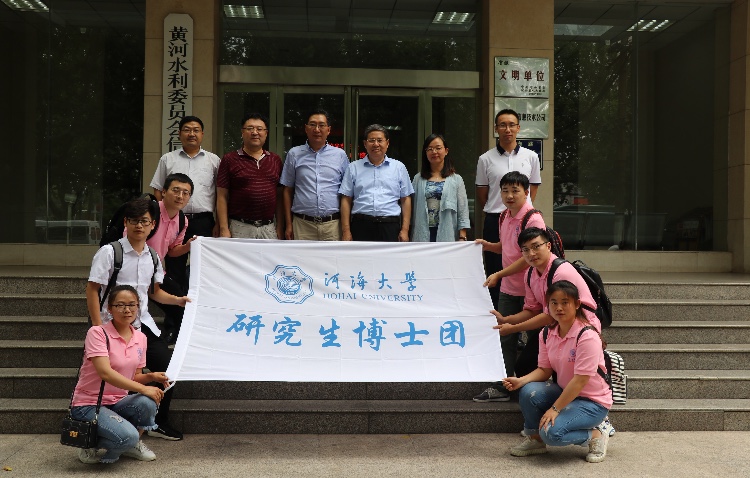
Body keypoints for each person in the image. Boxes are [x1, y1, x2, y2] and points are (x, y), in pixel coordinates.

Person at [86, 197, 189, 441]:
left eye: (144, 221)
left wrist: (178, 300)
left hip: (142, 325)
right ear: (126, 223)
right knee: (109, 376)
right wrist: (99, 328)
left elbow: (154, 292)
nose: (139, 226)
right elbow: (92, 289)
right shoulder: (110, 252)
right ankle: (105, 424)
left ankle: (157, 422)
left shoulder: (153, 256)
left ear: (153, 225)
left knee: (169, 369)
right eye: (134, 220)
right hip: (111, 325)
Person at [502, 280, 612, 463]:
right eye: (554, 302)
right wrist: (520, 381)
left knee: (551, 433)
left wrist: (555, 409)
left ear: (577, 304)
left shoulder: (587, 336)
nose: (559, 307)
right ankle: (536, 441)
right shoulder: (546, 333)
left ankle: (596, 435)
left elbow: (580, 381)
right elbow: (544, 370)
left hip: (592, 402)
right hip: (564, 392)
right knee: (528, 391)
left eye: (565, 302)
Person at [73, 285, 169, 464]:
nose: (127, 310)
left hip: (118, 401)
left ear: (138, 307)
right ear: (109, 308)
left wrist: (152, 377)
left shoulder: (141, 338)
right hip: (89, 404)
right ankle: (87, 441)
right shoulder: (97, 333)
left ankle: (131, 443)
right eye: (120, 305)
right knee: (128, 436)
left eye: (132, 304)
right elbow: (105, 373)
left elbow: (134, 376)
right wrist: (144, 389)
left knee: (148, 402)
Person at [472, 172, 545, 402]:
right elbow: (507, 247)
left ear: (526, 192)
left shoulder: (533, 219)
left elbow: (529, 257)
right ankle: (503, 385)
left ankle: (535, 385)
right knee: (504, 336)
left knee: (537, 339)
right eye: (505, 191)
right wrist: (488, 246)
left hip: (532, 290)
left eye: (515, 190)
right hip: (509, 289)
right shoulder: (504, 216)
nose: (510, 195)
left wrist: (499, 274)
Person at [476, 109, 541, 308]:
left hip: (523, 220)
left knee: (527, 263)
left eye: (512, 125)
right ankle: (498, 315)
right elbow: (482, 193)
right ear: (496, 129)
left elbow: (532, 189)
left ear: (518, 128)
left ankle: (525, 312)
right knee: (495, 270)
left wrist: (520, 211)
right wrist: (501, 208)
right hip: (495, 219)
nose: (507, 129)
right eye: (502, 125)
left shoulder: (531, 157)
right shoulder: (485, 159)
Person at [149, 115, 221, 290]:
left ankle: (196, 305)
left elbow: (220, 194)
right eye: (187, 130)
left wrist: (219, 222)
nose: (191, 134)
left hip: (203, 221)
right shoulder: (168, 159)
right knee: (174, 267)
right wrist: (163, 217)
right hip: (175, 220)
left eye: (196, 130)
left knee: (203, 267)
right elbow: (158, 189)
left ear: (202, 134)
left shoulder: (213, 160)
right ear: (179, 134)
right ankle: (175, 305)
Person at [280, 109, 350, 241]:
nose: (317, 129)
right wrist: (288, 224)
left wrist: (346, 229)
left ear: (328, 130)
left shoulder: (340, 155)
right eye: (312, 124)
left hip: (333, 226)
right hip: (302, 225)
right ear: (306, 128)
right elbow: (287, 190)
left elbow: (347, 193)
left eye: (321, 125)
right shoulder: (294, 154)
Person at [339, 124, 414, 242]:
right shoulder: (353, 168)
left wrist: (405, 230)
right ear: (365, 144)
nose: (376, 144)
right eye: (371, 140)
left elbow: (405, 199)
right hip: (361, 226)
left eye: (379, 140)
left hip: (390, 226)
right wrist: (346, 231)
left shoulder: (399, 167)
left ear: (387, 143)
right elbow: (346, 199)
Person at [217, 112, 284, 239]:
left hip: (269, 227)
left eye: (259, 129)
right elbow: (222, 196)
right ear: (242, 132)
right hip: (239, 227)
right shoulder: (229, 159)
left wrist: (280, 226)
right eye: (250, 128)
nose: (255, 132)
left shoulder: (275, 160)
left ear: (266, 133)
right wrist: (223, 228)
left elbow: (279, 196)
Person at [148, 173, 195, 344]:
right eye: (175, 190)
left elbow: (172, 251)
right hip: (133, 273)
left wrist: (188, 246)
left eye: (185, 193)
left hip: (156, 273)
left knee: (182, 305)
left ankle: (179, 342)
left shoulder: (182, 220)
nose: (180, 196)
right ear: (163, 192)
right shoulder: (149, 212)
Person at [410, 134, 470, 242]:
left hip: (447, 231)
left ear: (446, 151)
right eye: (430, 149)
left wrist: (462, 236)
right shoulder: (418, 179)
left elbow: (463, 210)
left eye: (438, 148)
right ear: (425, 152)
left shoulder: (456, 180)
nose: (434, 152)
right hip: (422, 232)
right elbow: (411, 208)